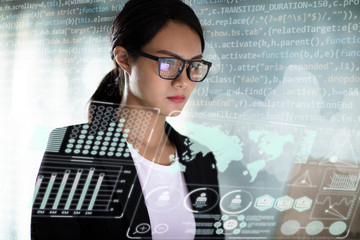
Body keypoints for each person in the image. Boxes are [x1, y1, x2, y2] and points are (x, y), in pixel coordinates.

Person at [31, 0, 223, 239]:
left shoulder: (201, 159)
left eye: (193, 65)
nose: (183, 81)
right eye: (168, 63)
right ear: (124, 59)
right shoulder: (71, 149)